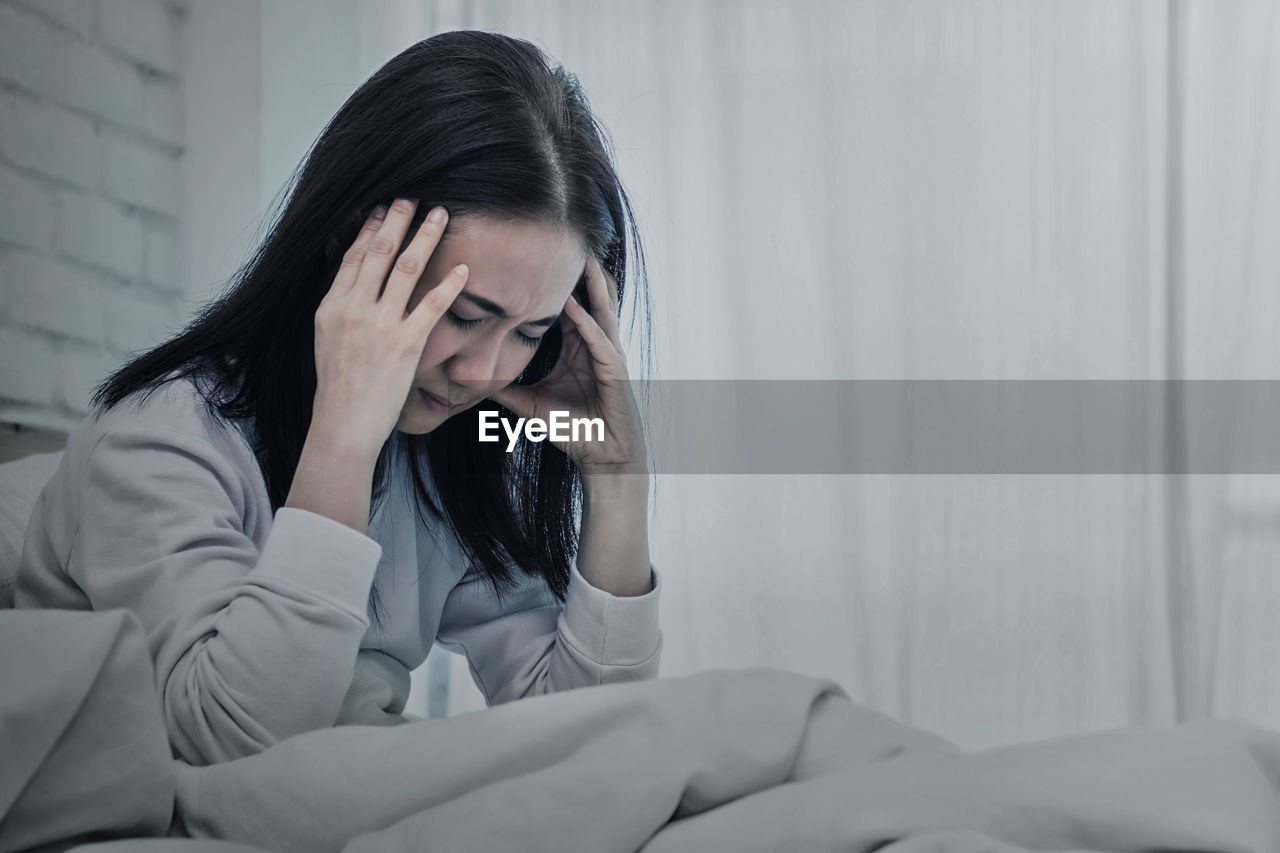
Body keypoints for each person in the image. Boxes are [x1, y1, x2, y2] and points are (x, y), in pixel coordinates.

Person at [16, 30, 662, 767]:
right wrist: (344, 440)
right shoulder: (158, 440)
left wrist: (618, 484)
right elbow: (232, 750)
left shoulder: (441, 452)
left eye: (530, 331)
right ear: (350, 246)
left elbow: (591, 741)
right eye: (463, 314)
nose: (484, 370)